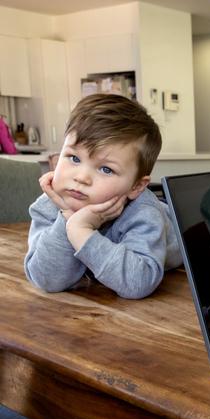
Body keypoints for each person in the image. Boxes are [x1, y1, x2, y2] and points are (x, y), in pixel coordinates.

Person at [24, 94, 182, 299]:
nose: (81, 177)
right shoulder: (48, 206)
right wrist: (68, 218)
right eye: (74, 158)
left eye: (106, 169)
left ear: (136, 186)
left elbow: (139, 282)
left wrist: (80, 230)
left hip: (185, 230)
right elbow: (46, 280)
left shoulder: (143, 212)